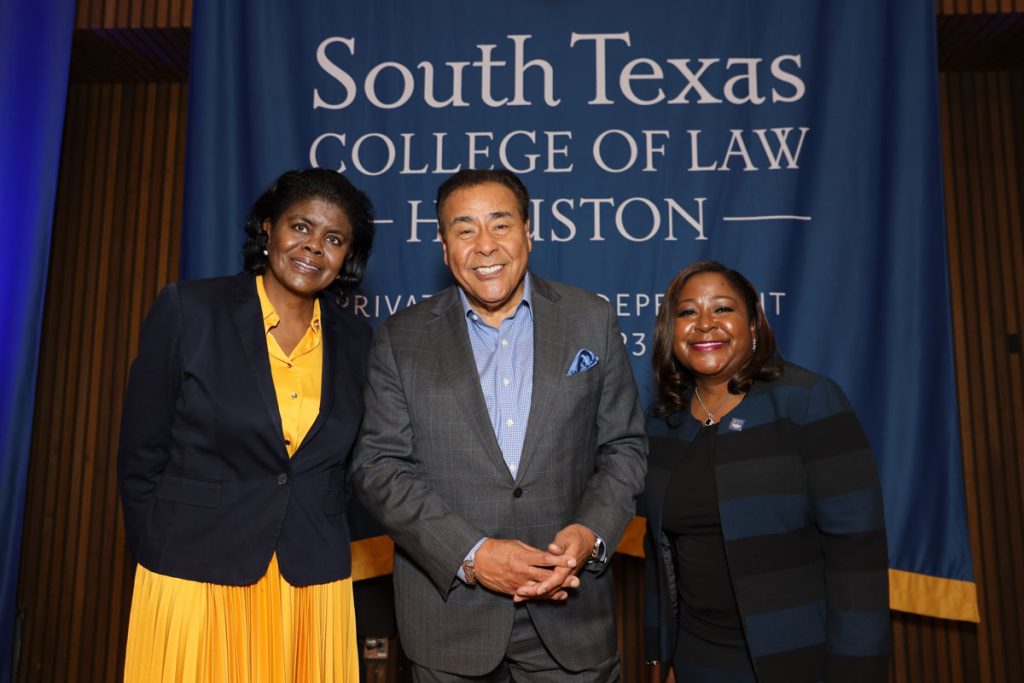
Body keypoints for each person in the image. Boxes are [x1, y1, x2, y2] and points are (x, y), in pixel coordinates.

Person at [351, 168, 647, 681]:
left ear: (528, 233)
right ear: (444, 248)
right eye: (464, 230)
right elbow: (379, 467)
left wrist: (590, 533)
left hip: (569, 612)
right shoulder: (401, 338)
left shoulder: (589, 319)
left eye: (500, 225)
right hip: (449, 621)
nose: (484, 246)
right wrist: (473, 555)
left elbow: (623, 447)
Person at [117, 168, 375, 682]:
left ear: (348, 256)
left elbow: (350, 471)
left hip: (310, 587)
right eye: (300, 227)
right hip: (194, 575)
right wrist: (160, 554)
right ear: (267, 227)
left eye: (334, 239)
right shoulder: (190, 310)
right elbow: (140, 456)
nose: (313, 248)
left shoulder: (358, 340)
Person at [639, 260, 890, 683]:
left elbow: (858, 555)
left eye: (722, 309)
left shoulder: (807, 401)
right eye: (687, 312)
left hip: (797, 659)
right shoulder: (663, 421)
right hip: (696, 659)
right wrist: (664, 656)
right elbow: (659, 557)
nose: (704, 324)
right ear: (670, 331)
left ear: (754, 324)